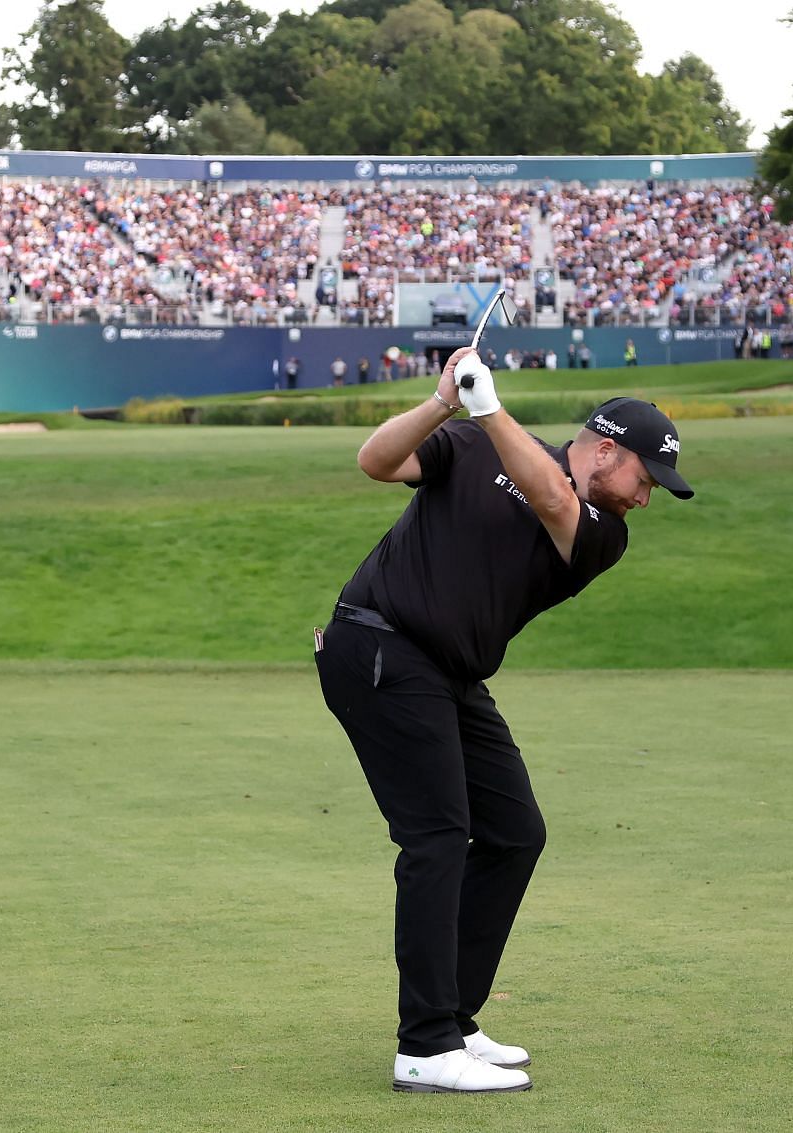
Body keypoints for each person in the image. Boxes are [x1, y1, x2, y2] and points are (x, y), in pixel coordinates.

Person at [316, 347, 693, 1094]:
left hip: (448, 673)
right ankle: (424, 1045)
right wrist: (444, 405)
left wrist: (489, 408)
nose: (646, 498)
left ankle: (451, 1016)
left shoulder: (600, 530)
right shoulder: (470, 440)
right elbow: (375, 460)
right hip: (378, 643)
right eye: (645, 480)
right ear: (608, 451)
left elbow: (553, 498)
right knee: (435, 835)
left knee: (516, 830)